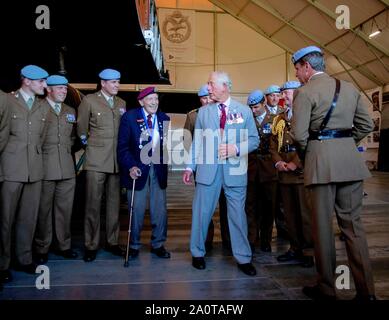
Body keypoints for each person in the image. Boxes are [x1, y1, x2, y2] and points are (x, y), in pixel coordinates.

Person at [291, 46, 376, 300]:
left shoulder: (304, 93)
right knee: (353, 229)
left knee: (322, 229)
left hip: (321, 167)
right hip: (350, 164)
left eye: (297, 69)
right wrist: (346, 144)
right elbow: (367, 124)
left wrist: (314, 153)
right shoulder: (349, 88)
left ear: (307, 66)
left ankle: (327, 288)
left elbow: (299, 135)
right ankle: (367, 293)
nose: (296, 75)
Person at [183, 71, 259, 276]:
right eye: (208, 84)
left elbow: (254, 140)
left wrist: (236, 149)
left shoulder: (244, 111)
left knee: (237, 216)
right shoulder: (203, 112)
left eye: (211, 84)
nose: (208, 87)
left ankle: (244, 258)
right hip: (207, 172)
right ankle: (197, 253)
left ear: (225, 86)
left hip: (235, 172)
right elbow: (198, 141)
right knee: (202, 214)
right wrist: (190, 167)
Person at [0, 65, 49, 279]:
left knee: (28, 218)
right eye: (41, 82)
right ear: (27, 81)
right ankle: (3, 264)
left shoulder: (43, 107)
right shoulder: (8, 101)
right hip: (11, 168)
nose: (45, 86)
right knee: (5, 219)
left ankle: (24, 259)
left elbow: (41, 139)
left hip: (35, 170)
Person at [77, 68, 127, 262]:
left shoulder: (121, 103)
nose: (117, 85)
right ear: (103, 83)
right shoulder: (89, 101)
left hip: (116, 161)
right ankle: (91, 244)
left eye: (118, 82)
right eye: (113, 82)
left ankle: (112, 242)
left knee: (114, 204)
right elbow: (81, 129)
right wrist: (90, 146)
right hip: (96, 160)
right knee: (92, 204)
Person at [117, 86, 171, 259]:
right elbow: (123, 147)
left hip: (158, 169)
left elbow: (163, 146)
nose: (154, 102)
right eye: (150, 99)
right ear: (141, 101)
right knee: (136, 209)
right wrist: (131, 166)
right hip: (137, 170)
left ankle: (158, 244)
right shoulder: (129, 117)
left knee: (159, 210)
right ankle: (133, 245)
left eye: (156, 99)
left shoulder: (164, 118)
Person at [33, 75, 78, 264]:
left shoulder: (70, 111)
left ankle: (64, 245)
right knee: (43, 210)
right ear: (48, 89)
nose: (63, 91)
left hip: (67, 168)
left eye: (65, 88)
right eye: (59, 88)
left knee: (65, 210)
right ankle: (42, 247)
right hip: (44, 168)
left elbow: (74, 138)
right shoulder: (37, 108)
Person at [269, 81, 314, 268]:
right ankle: (294, 248)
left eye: (287, 93)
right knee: (289, 216)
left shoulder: (307, 114)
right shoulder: (279, 119)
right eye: (283, 93)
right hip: (284, 173)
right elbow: (273, 142)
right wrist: (278, 161)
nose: (283, 97)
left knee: (305, 215)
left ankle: (308, 252)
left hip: (301, 172)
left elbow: (309, 141)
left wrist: (296, 163)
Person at [183, 85, 231, 253]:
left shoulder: (223, 111)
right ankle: (206, 239)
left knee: (225, 204)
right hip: (203, 166)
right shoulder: (193, 115)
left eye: (209, 97)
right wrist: (194, 163)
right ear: (200, 99)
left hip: (225, 164)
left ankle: (228, 239)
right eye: (204, 98)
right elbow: (188, 140)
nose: (207, 100)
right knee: (205, 206)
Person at [255, 85, 284, 252]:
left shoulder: (279, 115)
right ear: (266, 97)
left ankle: (277, 232)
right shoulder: (256, 112)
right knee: (255, 204)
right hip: (255, 166)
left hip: (272, 165)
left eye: (276, 95)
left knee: (274, 203)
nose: (274, 98)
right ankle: (256, 236)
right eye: (271, 95)